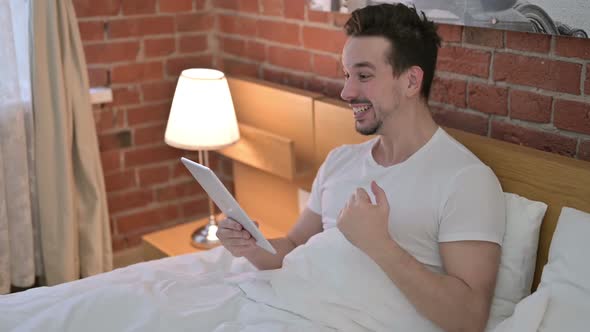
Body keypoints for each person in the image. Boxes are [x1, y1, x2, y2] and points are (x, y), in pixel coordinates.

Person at [217, 3, 506, 331]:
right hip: (291, 309)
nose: (346, 92)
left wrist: (379, 245)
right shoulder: (341, 160)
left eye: (364, 76)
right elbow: (294, 247)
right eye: (347, 75)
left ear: (411, 81)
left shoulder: (465, 180)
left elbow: (469, 318)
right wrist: (251, 246)